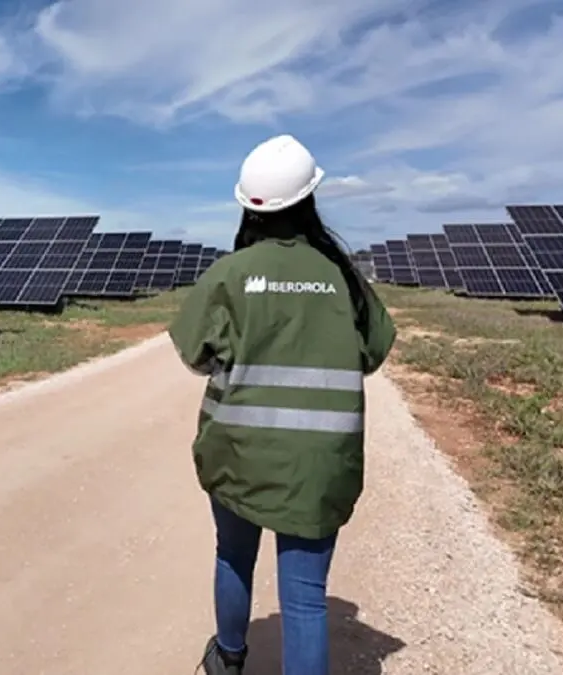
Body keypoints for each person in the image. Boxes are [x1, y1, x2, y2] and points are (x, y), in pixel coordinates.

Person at [168, 134, 396, 675]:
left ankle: (229, 657)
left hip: (238, 455)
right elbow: (373, 353)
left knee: (233, 555)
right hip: (319, 466)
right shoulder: (342, 277)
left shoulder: (229, 273)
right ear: (309, 199)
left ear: (248, 207)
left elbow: (195, 355)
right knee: (305, 599)